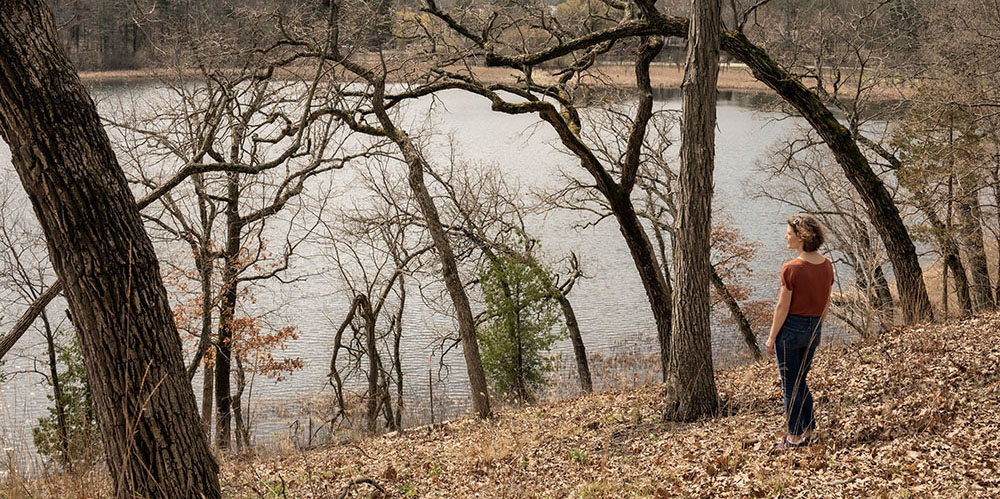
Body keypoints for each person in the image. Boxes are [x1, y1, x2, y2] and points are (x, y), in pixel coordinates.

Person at [765, 214, 834, 451]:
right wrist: (818, 327)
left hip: (791, 331)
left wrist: (772, 336)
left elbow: (782, 307)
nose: (786, 236)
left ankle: (794, 438)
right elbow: (825, 302)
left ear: (802, 237)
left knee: (790, 386)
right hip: (814, 327)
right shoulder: (826, 265)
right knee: (800, 381)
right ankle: (809, 429)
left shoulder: (792, 268)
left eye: (789, 233)